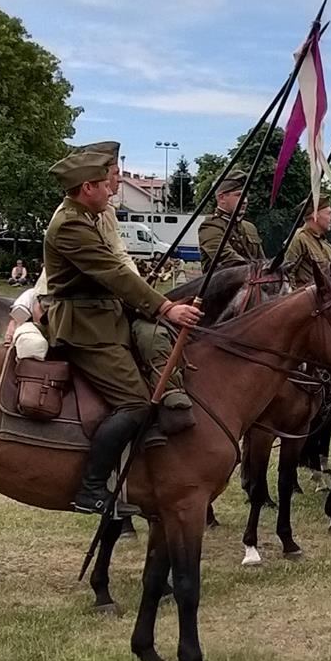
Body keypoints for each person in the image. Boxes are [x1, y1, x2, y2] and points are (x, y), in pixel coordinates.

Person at [40, 142, 202, 515]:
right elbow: (112, 273)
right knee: (135, 403)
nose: (113, 189)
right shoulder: (69, 226)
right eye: (107, 183)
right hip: (84, 328)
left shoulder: (88, 217)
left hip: (105, 318)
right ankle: (91, 487)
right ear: (87, 188)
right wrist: (164, 307)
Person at [198, 168, 264, 270]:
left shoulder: (249, 227)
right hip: (221, 285)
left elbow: (261, 261)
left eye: (246, 195)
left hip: (252, 284)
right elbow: (229, 260)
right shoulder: (210, 227)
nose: (245, 201)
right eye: (238, 195)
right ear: (221, 198)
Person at [281, 199, 331, 289]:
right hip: (309, 300)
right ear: (315, 215)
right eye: (329, 213)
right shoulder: (299, 238)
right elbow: (286, 274)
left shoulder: (326, 245)